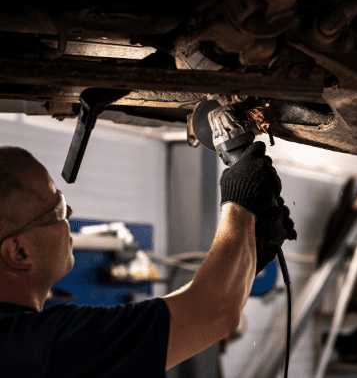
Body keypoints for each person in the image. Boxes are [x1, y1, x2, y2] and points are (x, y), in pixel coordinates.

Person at [0, 143, 296, 377]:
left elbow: (195, 311)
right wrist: (240, 201)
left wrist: (245, 256)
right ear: (18, 252)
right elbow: (213, 312)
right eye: (57, 209)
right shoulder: (35, 347)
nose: (70, 214)